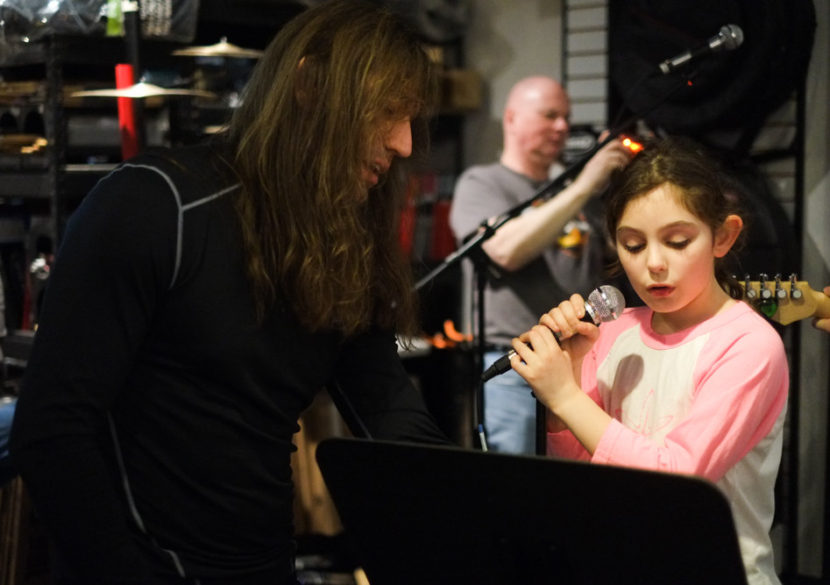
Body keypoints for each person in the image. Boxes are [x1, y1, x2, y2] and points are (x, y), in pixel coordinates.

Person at [9, 2, 450, 584]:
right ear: (310, 88)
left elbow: (388, 409)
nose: (404, 144)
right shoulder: (153, 206)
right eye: (388, 113)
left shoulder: (340, 245)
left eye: (412, 119)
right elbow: (51, 432)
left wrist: (474, 510)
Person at [510, 136, 788, 585]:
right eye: (633, 246)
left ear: (723, 236)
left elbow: (676, 482)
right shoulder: (615, 329)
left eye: (677, 241)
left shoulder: (749, 345)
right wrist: (571, 377)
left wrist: (564, 394)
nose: (654, 264)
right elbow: (583, 472)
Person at [448, 75, 634, 454]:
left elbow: (626, 256)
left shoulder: (578, 192)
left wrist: (620, 185)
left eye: (566, 117)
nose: (562, 127)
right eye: (550, 115)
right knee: (515, 493)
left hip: (584, 361)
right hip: (517, 362)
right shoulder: (483, 183)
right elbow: (504, 251)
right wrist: (583, 185)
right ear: (512, 118)